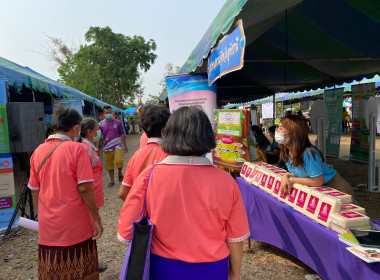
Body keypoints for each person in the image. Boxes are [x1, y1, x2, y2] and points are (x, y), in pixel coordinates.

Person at [118, 107, 250, 280]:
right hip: (213, 269)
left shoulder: (148, 177)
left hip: (163, 268)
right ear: (208, 136)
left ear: (168, 134)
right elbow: (235, 238)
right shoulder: (227, 182)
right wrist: (235, 274)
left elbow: (125, 233)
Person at [28, 108, 103, 280]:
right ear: (76, 128)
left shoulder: (37, 151)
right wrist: (96, 219)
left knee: (52, 269)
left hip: (49, 226)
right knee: (80, 267)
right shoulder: (77, 150)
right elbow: (85, 188)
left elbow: (34, 189)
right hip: (75, 224)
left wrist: (42, 216)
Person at [277, 115, 354, 196]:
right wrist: (286, 176)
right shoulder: (287, 152)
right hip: (323, 191)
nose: (277, 131)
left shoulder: (308, 154)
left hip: (337, 190)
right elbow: (299, 173)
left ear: (293, 131)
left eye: (280, 128)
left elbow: (317, 181)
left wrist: (292, 180)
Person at [118, 105, 170, 201]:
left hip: (143, 213)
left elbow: (122, 193)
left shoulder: (136, 155)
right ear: (168, 126)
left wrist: (141, 206)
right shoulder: (171, 154)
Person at [78, 118, 107, 273]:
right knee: (90, 230)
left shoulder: (90, 147)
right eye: (97, 129)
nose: (99, 131)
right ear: (89, 132)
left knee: (91, 229)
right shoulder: (84, 149)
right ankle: (90, 263)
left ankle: (90, 261)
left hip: (93, 195)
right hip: (89, 197)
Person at [99, 106, 128, 187]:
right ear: (103, 114)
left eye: (110, 112)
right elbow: (99, 136)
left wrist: (125, 145)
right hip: (106, 147)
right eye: (106, 113)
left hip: (117, 146)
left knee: (119, 161)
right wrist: (97, 147)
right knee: (109, 165)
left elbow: (122, 134)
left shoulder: (118, 122)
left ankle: (120, 173)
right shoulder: (101, 124)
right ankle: (112, 181)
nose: (108, 114)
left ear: (112, 113)